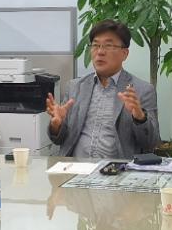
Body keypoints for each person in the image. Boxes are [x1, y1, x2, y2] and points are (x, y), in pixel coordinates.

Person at [46, 19, 160, 159]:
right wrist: (56, 125)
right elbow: (59, 139)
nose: (100, 52)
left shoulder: (142, 90)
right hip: (76, 167)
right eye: (95, 45)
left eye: (108, 46)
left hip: (117, 169)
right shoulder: (75, 87)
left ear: (124, 53)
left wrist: (140, 118)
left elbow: (151, 143)